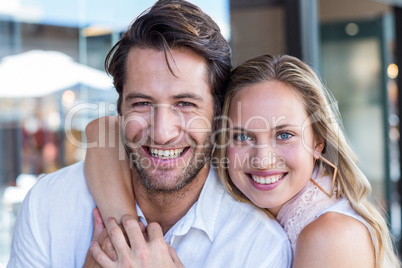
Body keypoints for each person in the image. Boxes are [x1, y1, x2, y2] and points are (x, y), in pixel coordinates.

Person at [7, 1, 292, 267]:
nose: (162, 133)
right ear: (120, 111)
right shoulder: (48, 205)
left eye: (185, 104)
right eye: (142, 103)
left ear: (218, 117)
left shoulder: (259, 244)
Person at [85, 55, 400, 267]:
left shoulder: (330, 235)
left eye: (285, 135)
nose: (262, 159)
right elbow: (103, 131)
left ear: (318, 142)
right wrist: (129, 238)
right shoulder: (241, 184)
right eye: (243, 136)